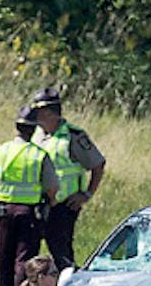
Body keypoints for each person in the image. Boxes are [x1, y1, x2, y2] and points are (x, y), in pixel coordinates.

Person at [0, 106, 58, 286]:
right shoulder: (38, 155)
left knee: (4, 254)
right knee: (24, 258)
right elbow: (52, 187)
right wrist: (49, 202)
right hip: (29, 212)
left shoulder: (0, 151)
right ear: (34, 129)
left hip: (4, 211)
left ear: (16, 127)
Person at [30, 87, 105, 271]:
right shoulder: (36, 134)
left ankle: (70, 284)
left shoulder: (73, 136)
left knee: (61, 251)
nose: (37, 117)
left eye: (40, 112)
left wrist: (86, 194)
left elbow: (98, 164)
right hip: (38, 201)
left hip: (64, 205)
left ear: (51, 113)